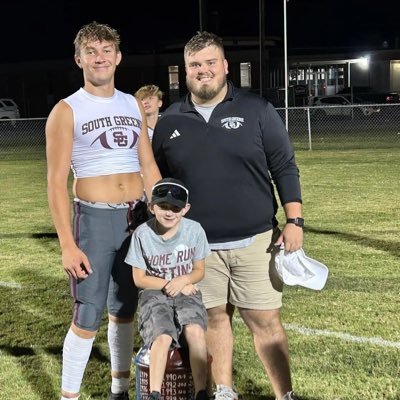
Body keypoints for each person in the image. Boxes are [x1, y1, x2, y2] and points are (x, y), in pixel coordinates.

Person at [152, 31, 304, 400]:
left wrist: (294, 220)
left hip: (256, 241)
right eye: (194, 65)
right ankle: (223, 391)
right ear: (185, 72)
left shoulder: (256, 110)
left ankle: (285, 394)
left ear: (224, 67)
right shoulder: (170, 120)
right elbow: (157, 181)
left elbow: (284, 165)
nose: (202, 71)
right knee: (212, 319)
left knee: (264, 321)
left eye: (209, 63)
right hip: (198, 247)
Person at [45, 21, 161, 400]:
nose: (100, 58)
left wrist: (162, 210)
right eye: (91, 52)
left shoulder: (131, 103)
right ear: (79, 59)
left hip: (136, 219)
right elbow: (56, 181)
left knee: (124, 309)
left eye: (106, 50)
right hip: (93, 220)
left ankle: (119, 390)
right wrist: (66, 243)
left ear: (118, 57)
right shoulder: (66, 110)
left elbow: (147, 163)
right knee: (88, 314)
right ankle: (69, 396)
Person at [125, 178, 210, 400]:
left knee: (195, 330)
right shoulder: (142, 234)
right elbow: (138, 278)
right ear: (152, 207)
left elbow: (199, 270)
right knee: (161, 335)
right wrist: (167, 284)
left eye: (176, 208)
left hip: (186, 289)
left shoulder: (195, 230)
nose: (169, 213)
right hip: (154, 292)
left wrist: (183, 281)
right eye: (163, 206)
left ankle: (202, 392)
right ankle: (154, 393)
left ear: (186, 209)